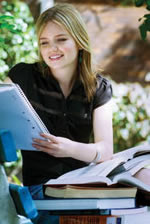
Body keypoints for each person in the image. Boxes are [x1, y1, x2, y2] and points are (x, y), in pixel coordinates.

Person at [5, 3, 113, 223]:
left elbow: (105, 151)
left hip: (83, 188)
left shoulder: (99, 88)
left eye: (61, 40)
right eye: (44, 43)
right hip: (40, 192)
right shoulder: (23, 76)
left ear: (78, 41)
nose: (51, 49)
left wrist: (67, 148)